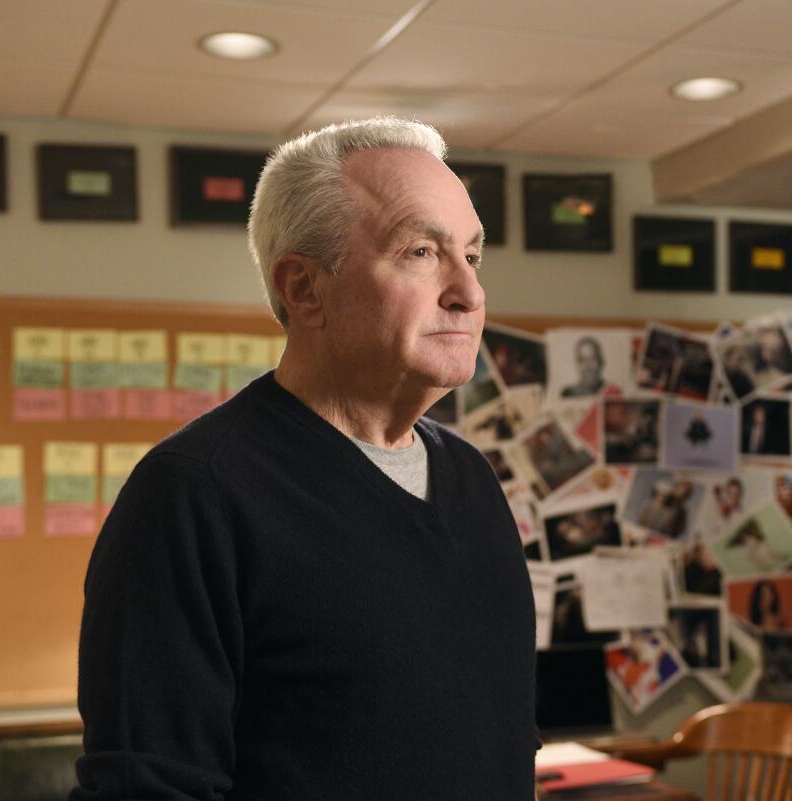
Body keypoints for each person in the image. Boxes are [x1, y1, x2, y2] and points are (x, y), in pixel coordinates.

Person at [71, 118, 537, 801]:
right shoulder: (194, 494)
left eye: (472, 255)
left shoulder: (472, 480)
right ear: (304, 288)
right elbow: (147, 786)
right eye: (419, 251)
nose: (468, 293)